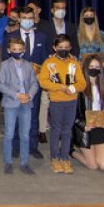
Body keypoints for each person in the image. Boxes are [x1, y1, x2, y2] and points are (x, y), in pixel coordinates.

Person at [38, 35, 86, 174]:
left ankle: (65, 158)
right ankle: (55, 158)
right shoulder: (49, 63)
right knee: (56, 130)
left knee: (67, 131)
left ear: (70, 48)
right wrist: (60, 87)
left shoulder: (74, 63)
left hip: (71, 101)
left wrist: (72, 88)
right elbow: (43, 81)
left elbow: (82, 83)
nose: (63, 50)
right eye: (60, 48)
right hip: (56, 101)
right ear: (55, 48)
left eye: (66, 48)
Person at [0, 38, 38, 174]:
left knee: (25, 135)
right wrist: (16, 95)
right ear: (9, 50)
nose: (17, 52)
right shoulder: (4, 65)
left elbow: (34, 83)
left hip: (26, 103)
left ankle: (24, 162)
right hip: (11, 103)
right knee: (9, 134)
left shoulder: (28, 65)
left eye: (20, 50)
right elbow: (1, 85)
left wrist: (30, 95)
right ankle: (8, 161)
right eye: (14, 50)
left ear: (24, 50)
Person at [72, 54, 104, 172]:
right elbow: (72, 114)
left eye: (97, 67)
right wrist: (83, 125)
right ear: (85, 68)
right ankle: (72, 151)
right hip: (84, 129)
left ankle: (90, 149)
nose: (94, 69)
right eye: (91, 66)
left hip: (99, 127)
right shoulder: (79, 88)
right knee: (93, 165)